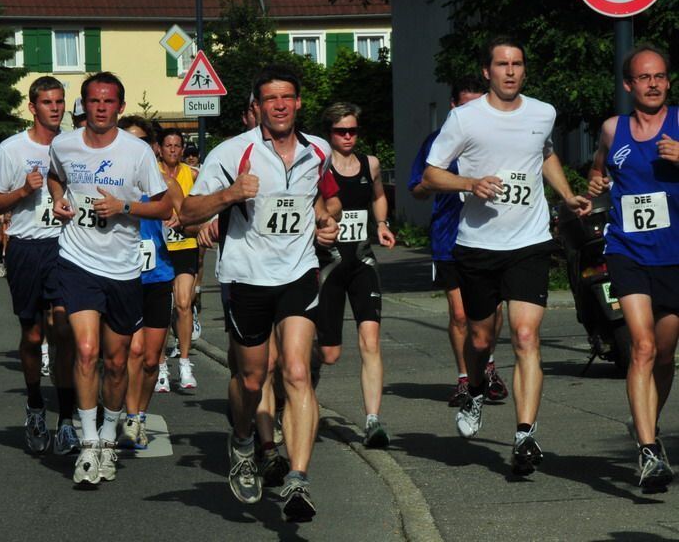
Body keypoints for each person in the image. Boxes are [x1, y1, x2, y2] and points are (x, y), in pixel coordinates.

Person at [422, 36, 591, 476]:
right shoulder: (464, 118)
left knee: (526, 336)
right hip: (477, 245)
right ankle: (475, 389)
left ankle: (524, 434)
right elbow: (431, 173)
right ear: (487, 71)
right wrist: (469, 184)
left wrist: (568, 195)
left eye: (517, 64)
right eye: (502, 64)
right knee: (480, 339)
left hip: (529, 242)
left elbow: (545, 155)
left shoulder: (542, 113)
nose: (511, 72)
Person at [180, 65, 338, 522]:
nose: (281, 105)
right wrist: (230, 193)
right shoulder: (233, 152)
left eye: (288, 97)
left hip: (298, 273)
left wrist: (325, 222)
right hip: (246, 276)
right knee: (252, 379)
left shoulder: (318, 151)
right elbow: (188, 213)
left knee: (295, 371)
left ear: (299, 103)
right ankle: (244, 439)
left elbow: (321, 201)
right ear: (258, 106)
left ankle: (298, 480)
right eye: (272, 99)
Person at [47, 71, 172, 485]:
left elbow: (163, 206)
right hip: (77, 260)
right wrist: (58, 199)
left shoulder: (136, 152)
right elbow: (54, 174)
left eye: (109, 101)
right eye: (94, 101)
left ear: (119, 106)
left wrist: (125, 207)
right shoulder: (63, 144)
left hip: (122, 268)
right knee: (86, 349)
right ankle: (86, 444)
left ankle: (106, 437)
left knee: (117, 363)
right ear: (84, 105)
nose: (101, 108)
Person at [588, 45, 679, 490]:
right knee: (641, 346)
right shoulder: (612, 129)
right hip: (626, 251)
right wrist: (595, 181)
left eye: (660, 76)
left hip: (674, 255)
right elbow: (598, 170)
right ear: (629, 85)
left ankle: (648, 427)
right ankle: (647, 450)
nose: (653, 84)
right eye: (644, 78)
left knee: (665, 354)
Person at [0, 76, 80, 456]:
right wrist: (25, 191)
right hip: (26, 247)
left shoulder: (77, 145)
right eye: (47, 102)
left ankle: (67, 418)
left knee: (64, 328)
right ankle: (35, 404)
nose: (55, 108)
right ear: (32, 107)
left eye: (59, 101)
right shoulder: (12, 149)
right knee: (32, 335)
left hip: (67, 245)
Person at [409, 77, 509, 407]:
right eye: (464, 105)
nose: (471, 112)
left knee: (493, 313)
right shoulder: (437, 142)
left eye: (476, 105)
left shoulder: (496, 136)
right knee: (461, 314)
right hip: (449, 237)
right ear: (453, 106)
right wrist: (440, 184)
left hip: (491, 234)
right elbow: (418, 189)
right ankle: (466, 379)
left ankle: (488, 366)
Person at [315, 102, 396, 448]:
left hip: (362, 261)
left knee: (371, 341)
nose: (348, 137)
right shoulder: (317, 164)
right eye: (341, 131)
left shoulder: (370, 164)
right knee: (329, 353)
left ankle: (372, 421)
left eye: (353, 131)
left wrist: (381, 224)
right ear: (329, 133)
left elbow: (378, 196)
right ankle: (295, 380)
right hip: (328, 264)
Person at [119, 116, 186, 449]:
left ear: (154, 147)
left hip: (157, 274)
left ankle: (140, 416)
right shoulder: (113, 180)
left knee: (150, 358)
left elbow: (187, 220)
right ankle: (128, 417)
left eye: (143, 140)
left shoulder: (163, 184)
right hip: (123, 274)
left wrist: (183, 222)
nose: (136, 147)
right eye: (129, 140)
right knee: (132, 350)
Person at [158, 128, 200, 390]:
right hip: (159, 247)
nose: (172, 150)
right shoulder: (151, 172)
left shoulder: (193, 175)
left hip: (185, 243)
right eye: (168, 145)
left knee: (183, 304)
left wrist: (184, 220)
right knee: (162, 309)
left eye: (177, 146)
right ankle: (161, 366)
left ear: (182, 149)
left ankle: (184, 364)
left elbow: (199, 210)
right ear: (160, 149)